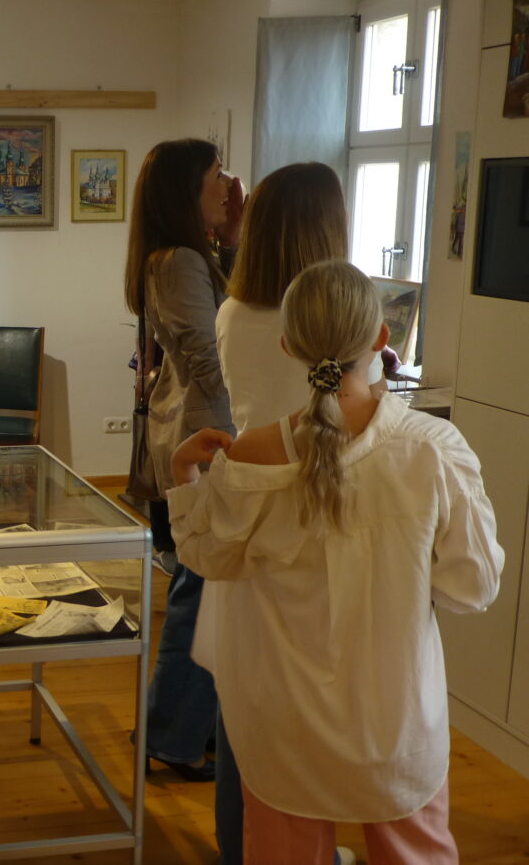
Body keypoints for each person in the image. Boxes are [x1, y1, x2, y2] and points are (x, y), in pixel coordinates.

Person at [168, 260, 503, 864]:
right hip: (393, 717)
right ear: (382, 337)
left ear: (288, 346)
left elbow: (206, 557)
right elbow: (472, 586)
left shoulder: (251, 454)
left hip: (281, 718)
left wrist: (184, 470)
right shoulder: (433, 451)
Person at [209, 161, 359, 864]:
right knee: (315, 715)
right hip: (321, 524)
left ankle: (241, 849)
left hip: (250, 510)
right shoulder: (333, 335)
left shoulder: (233, 313)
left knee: (243, 706)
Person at [123, 137, 242, 781]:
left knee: (201, 586)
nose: (228, 184)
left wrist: (235, 238)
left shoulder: (183, 257)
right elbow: (213, 358)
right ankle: (171, 735)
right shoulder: (178, 263)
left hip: (201, 430)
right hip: (207, 436)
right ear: (185, 191)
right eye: (216, 175)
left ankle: (181, 727)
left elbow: (227, 321)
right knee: (199, 589)